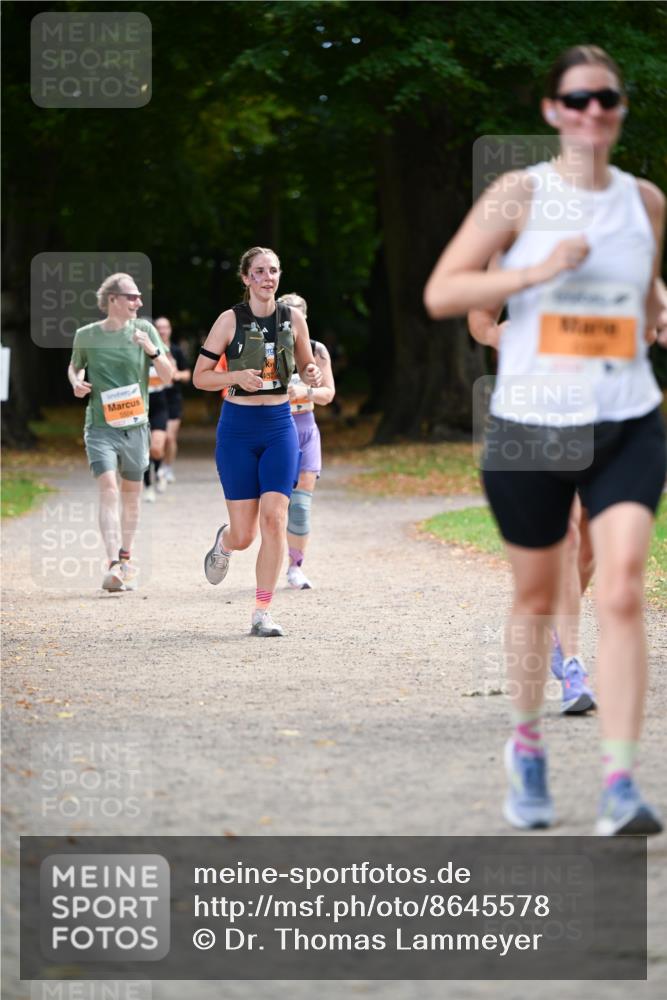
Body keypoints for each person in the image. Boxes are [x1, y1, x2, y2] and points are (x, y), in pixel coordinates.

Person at [425, 45, 667, 835]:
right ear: (552, 109)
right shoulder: (516, 195)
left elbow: (639, 289)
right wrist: (531, 275)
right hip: (531, 423)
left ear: (619, 109)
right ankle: (526, 748)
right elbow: (445, 291)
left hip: (625, 418)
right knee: (535, 596)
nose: (592, 111)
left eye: (606, 98)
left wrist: (654, 308)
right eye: (577, 98)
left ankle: (618, 783)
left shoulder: (647, 204)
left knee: (623, 585)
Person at [468, 304, 596, 715]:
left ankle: (558, 634)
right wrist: (494, 334)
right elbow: (478, 315)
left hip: (597, 404)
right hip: (534, 410)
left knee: (591, 550)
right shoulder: (509, 248)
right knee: (569, 536)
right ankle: (573, 665)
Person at [193, 247, 322, 637]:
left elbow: (304, 363)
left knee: (275, 518)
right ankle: (225, 541)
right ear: (246, 278)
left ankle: (262, 612)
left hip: (279, 425)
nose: (268, 278)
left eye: (274, 271)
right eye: (260, 271)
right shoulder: (229, 321)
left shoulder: (293, 318)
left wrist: (312, 371)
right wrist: (234, 377)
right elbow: (200, 376)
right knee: (245, 534)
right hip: (237, 429)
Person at [68, 273, 172, 590]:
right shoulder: (86, 335)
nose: (138, 302)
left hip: (136, 426)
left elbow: (167, 377)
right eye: (132, 297)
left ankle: (125, 558)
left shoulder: (144, 330)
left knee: (131, 496)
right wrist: (76, 382)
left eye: (139, 297)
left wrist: (152, 350)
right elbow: (75, 366)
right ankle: (113, 562)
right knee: (109, 489)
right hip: (100, 425)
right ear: (113, 299)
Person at [277, 293, 336, 590]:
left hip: (306, 429)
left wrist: (305, 394)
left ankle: (295, 567)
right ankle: (272, 559)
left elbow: (329, 394)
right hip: (276, 430)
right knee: (277, 505)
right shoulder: (269, 347)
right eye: (288, 315)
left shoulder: (316, 350)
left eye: (298, 314)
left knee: (300, 506)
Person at [155, 316, 191, 483]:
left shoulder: (176, 350)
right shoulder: (150, 350)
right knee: (155, 439)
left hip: (172, 398)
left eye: (165, 327)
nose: (162, 331)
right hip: (154, 397)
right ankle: (157, 466)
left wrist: (176, 375)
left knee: (169, 437)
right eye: (159, 327)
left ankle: (167, 467)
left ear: (170, 330)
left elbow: (187, 374)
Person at [143, 344, 173, 502]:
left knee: (156, 446)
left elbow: (171, 374)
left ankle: (160, 469)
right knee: (144, 450)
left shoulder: (160, 353)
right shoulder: (131, 355)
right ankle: (148, 486)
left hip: (159, 405)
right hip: (139, 406)